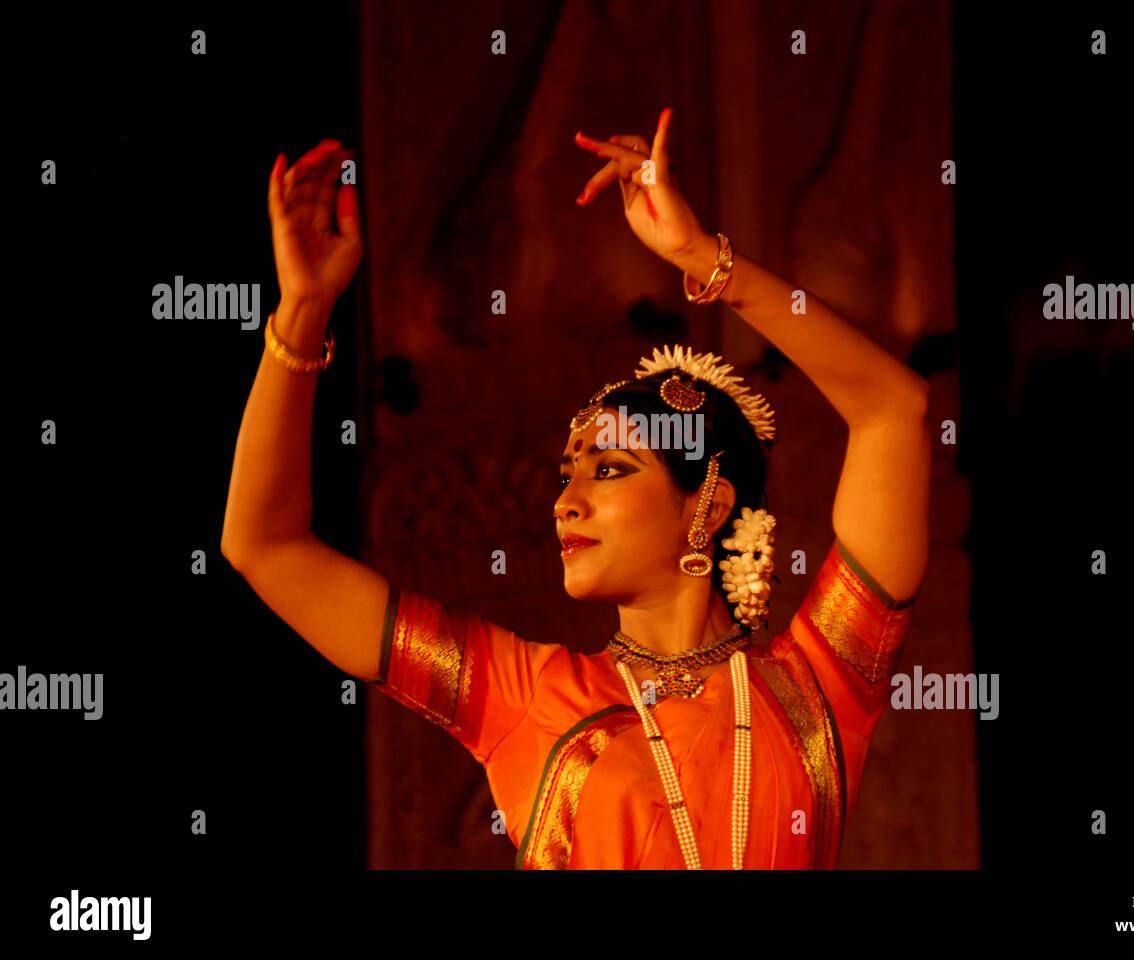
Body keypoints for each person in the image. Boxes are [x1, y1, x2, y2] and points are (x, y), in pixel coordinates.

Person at [221, 108, 932, 869]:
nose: (566, 500)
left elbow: (894, 411)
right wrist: (301, 313)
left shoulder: (818, 689)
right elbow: (264, 546)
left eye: (610, 468)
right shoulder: (523, 695)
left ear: (710, 504)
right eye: (569, 475)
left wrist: (702, 258)